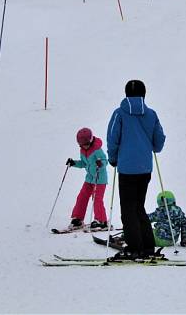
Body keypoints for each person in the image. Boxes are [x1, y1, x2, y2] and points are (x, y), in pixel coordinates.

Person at [107, 80, 166, 259]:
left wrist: (113, 158)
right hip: (144, 168)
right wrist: (152, 146)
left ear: (126, 94)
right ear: (144, 94)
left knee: (128, 209)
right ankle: (147, 246)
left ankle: (134, 247)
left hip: (126, 168)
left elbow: (112, 138)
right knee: (139, 206)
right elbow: (159, 142)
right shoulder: (151, 114)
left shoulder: (119, 114)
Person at [66, 128, 109, 230]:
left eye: (86, 144)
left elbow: (105, 161)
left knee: (97, 199)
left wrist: (100, 163)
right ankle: (78, 219)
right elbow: (84, 164)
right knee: (82, 197)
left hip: (99, 179)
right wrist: (74, 163)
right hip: (89, 178)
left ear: (90, 140)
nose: (84, 146)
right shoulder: (83, 150)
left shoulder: (97, 149)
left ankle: (101, 221)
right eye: (82, 144)